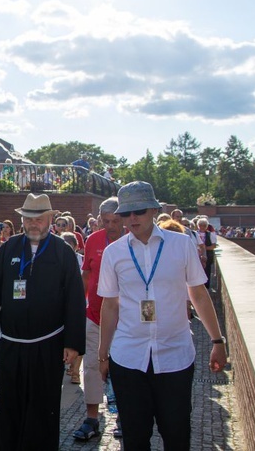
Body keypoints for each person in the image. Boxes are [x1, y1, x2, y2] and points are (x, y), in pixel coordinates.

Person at [97, 181, 228, 450]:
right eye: (126, 213)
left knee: (177, 434)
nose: (132, 218)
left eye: (139, 211)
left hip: (174, 355)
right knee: (134, 437)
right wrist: (102, 355)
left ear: (155, 211)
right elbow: (110, 305)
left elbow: (199, 294)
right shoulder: (114, 253)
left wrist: (217, 341)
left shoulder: (181, 245)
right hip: (128, 357)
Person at [0, 193, 86, 450]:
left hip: (48, 344)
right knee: (8, 402)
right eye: (28, 218)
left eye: (39, 218)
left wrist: (72, 342)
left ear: (50, 219)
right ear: (21, 219)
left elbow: (75, 300)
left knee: (43, 404)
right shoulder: (8, 249)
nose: (33, 224)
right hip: (11, 343)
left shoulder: (63, 252)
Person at [72, 197, 125, 441]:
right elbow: (86, 276)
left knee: (124, 369)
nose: (112, 225)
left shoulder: (132, 241)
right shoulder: (93, 240)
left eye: (116, 220)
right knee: (92, 367)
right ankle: (92, 418)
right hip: (94, 316)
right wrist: (77, 305)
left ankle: (125, 417)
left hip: (125, 320)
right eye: (106, 221)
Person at [197, 217, 217, 288]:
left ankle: (206, 287)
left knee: (207, 271)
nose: (202, 227)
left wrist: (204, 248)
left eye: (204, 225)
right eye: (200, 225)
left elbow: (214, 246)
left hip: (208, 256)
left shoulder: (210, 234)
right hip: (197, 255)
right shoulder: (195, 234)